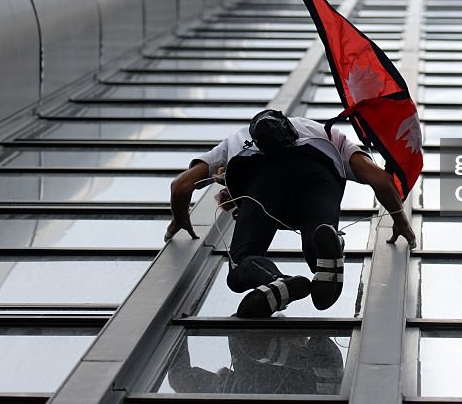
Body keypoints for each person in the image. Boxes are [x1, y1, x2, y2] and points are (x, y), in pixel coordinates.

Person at [166, 109, 416, 318]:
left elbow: (180, 186)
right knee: (317, 243)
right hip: (319, 178)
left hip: (263, 185)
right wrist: (400, 220)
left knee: (244, 260)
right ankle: (330, 244)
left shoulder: (236, 140)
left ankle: (275, 280)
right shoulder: (327, 133)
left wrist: (180, 217)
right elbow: (381, 180)